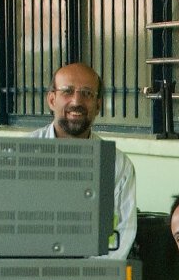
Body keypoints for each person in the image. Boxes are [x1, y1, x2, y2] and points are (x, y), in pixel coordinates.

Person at [29, 62, 136, 259]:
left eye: (87, 93)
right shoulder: (24, 154)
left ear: (98, 105)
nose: (76, 101)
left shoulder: (116, 164)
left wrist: (87, 274)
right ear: (51, 100)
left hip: (92, 273)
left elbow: (123, 232)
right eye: (67, 91)